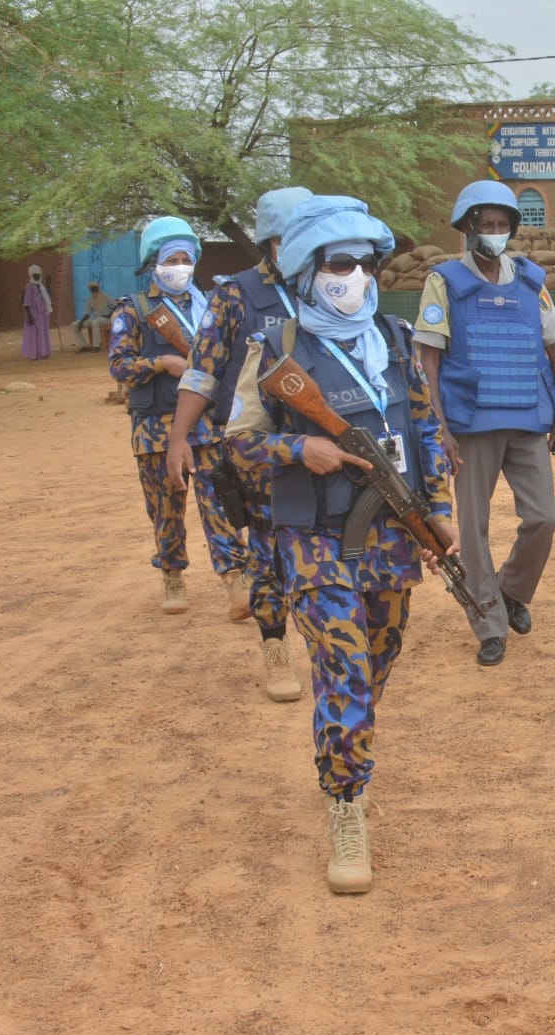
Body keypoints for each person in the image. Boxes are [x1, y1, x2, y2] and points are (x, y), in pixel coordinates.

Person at [226, 194, 458, 894]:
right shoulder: (277, 351)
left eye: (363, 262)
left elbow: (423, 430)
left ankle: (344, 743)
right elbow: (236, 446)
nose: (353, 275)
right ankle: (347, 802)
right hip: (313, 538)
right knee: (345, 669)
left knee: (374, 663)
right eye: (338, 263)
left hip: (391, 532)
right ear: (306, 270)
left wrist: (439, 506)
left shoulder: (390, 338)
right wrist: (301, 446)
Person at [414, 180, 555, 668]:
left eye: (503, 225)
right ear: (467, 228)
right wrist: (439, 427)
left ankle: (511, 592)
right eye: (486, 225)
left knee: (545, 515)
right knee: (475, 528)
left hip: (528, 417)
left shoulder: (530, 280)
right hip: (471, 424)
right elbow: (429, 358)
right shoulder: (444, 281)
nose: (495, 233)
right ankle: (488, 622)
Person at [168, 186, 313, 702]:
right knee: (268, 556)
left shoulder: (329, 285)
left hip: (323, 451)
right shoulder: (236, 295)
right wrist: (180, 437)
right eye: (294, 236)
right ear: (272, 241)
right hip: (259, 457)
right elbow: (202, 372)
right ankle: (275, 647)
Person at [107, 217, 252, 616]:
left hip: (207, 426)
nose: (180, 266)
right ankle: (172, 573)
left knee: (220, 503)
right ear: (153, 262)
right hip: (156, 427)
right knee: (166, 508)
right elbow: (119, 367)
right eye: (171, 258)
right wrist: (160, 363)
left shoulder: (212, 306)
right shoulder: (133, 310)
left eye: (185, 258)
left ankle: (236, 581)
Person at [21, 265, 52, 360]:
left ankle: (43, 352)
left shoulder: (41, 286)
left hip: (42, 313)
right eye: (35, 275)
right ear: (31, 275)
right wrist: (29, 316)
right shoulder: (29, 286)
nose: (37, 276)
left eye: (38, 274)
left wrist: (48, 283)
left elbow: (48, 297)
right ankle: (34, 354)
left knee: (42, 332)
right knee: (34, 333)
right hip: (33, 312)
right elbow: (26, 303)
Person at [74, 281, 114, 351]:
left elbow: (115, 306)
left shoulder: (106, 297)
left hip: (106, 319)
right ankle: (83, 346)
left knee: (94, 322)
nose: (94, 290)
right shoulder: (90, 299)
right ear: (90, 290)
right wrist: (81, 322)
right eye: (92, 289)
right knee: (75, 324)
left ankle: (96, 346)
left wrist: (109, 314)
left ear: (98, 288)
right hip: (96, 319)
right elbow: (87, 313)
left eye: (95, 288)